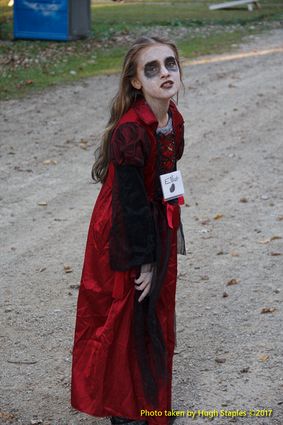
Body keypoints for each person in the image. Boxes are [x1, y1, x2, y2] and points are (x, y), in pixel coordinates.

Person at [71, 36, 186, 425]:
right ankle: (125, 408)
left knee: (155, 312)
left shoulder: (174, 118)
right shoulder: (131, 132)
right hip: (123, 226)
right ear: (136, 82)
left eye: (170, 64)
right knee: (125, 310)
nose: (164, 73)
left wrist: (168, 225)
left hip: (154, 218)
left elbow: (169, 173)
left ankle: (150, 399)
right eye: (151, 69)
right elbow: (130, 204)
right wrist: (146, 261)